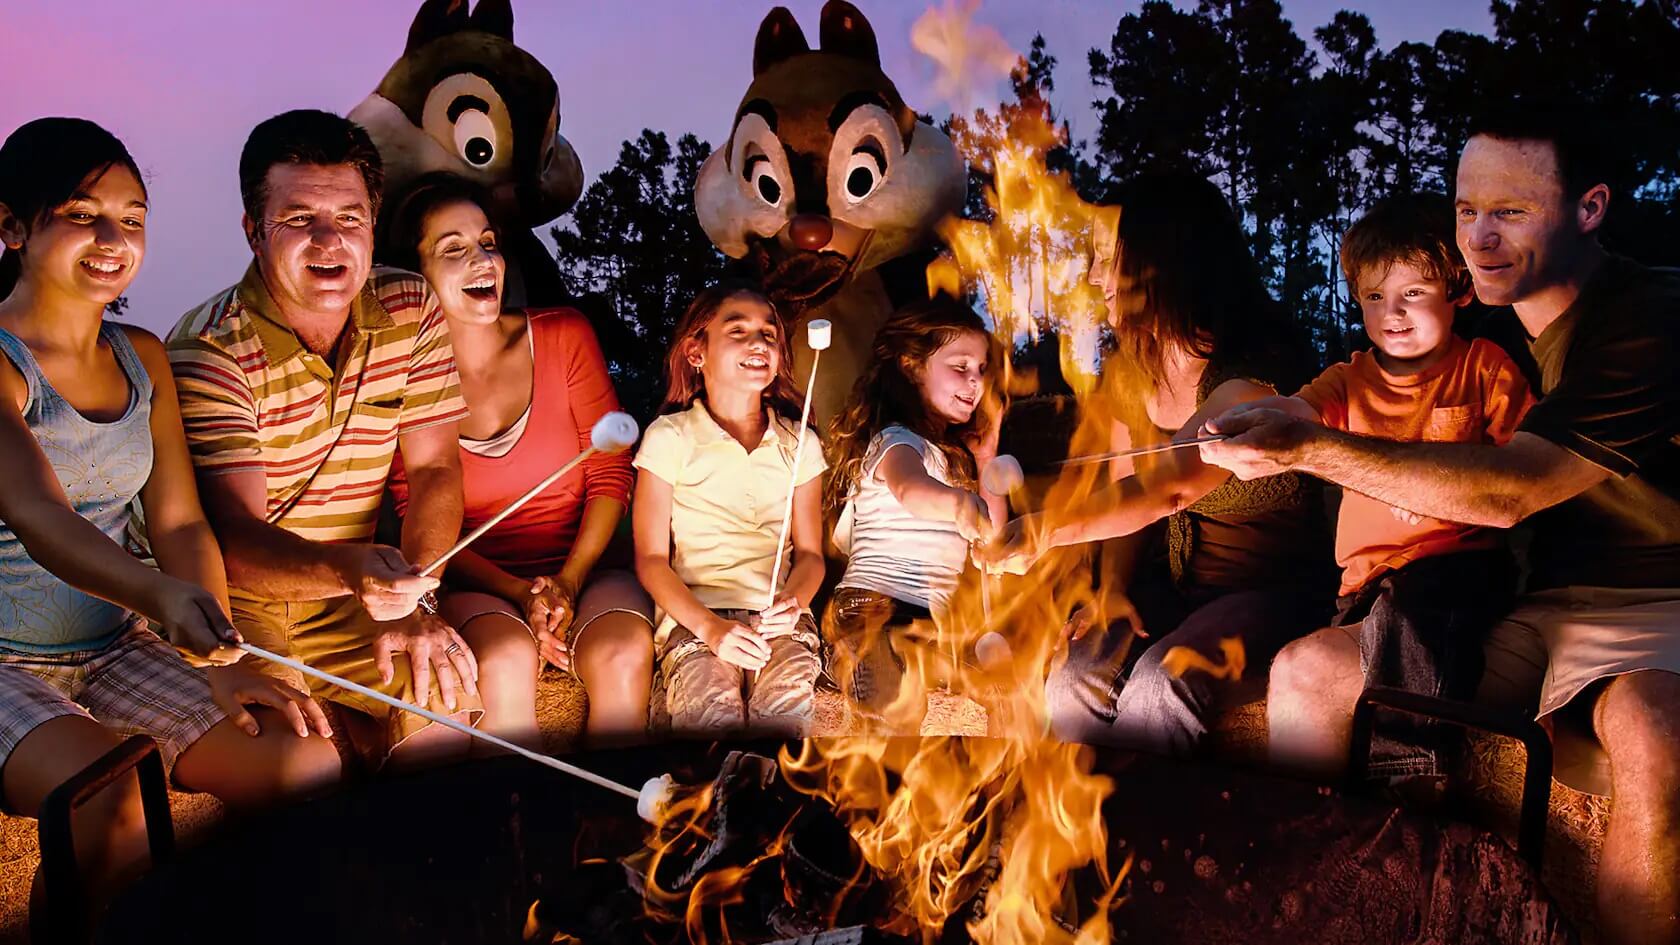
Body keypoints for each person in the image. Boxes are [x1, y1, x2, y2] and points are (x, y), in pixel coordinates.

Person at [1200, 106, 1679, 945]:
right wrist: (1243, 424)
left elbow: (1508, 491)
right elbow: (1333, 391)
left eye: (1511, 212)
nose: (1480, 238)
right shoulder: (1494, 329)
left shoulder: (1650, 314)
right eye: (1466, 211)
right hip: (1531, 609)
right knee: (1309, 672)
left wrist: (1311, 447)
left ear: (1590, 209)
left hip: (1649, 604)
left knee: (1654, 726)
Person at [0, 118, 339, 907]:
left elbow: (182, 522)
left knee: (304, 760)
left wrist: (221, 659)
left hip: (116, 648)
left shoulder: (141, 356)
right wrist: (160, 598)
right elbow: (37, 513)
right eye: (83, 214)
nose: (113, 236)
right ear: (12, 225)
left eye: (133, 217)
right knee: (108, 801)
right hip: (5, 659)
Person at [979, 172, 1335, 757]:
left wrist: (1043, 529)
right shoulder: (1130, 368)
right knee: (1070, 682)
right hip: (1166, 590)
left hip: (1267, 592)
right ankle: (1083, 840)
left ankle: (1155, 838)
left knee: (1158, 688)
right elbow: (1126, 487)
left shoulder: (1257, 369)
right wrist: (1112, 589)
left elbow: (1168, 487)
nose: (1095, 278)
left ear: (1162, 264)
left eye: (1106, 259)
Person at [168, 110, 481, 767]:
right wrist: (357, 575)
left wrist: (415, 595)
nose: (328, 240)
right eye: (298, 217)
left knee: (445, 694)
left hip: (353, 589)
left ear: (372, 219)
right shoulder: (208, 348)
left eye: (349, 216)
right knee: (297, 758)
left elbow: (434, 473)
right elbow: (235, 539)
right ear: (254, 231)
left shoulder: (411, 307)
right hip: (236, 602)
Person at [1249, 195, 1534, 787]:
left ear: (1459, 290)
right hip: (1365, 582)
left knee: (1416, 612)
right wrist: (1251, 419)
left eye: (1412, 293)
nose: (1392, 313)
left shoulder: (1484, 369)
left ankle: (1408, 774)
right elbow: (1298, 409)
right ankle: (1312, 830)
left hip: (1458, 568)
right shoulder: (1349, 379)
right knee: (1361, 625)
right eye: (1375, 297)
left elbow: (1528, 477)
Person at [379, 175, 654, 746]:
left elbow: (609, 475)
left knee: (624, 649)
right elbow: (422, 515)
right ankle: (519, 825)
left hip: (586, 568)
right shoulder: (401, 381)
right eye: (453, 249)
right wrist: (519, 594)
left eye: (487, 242)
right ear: (416, 276)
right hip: (482, 581)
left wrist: (569, 582)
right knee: (503, 661)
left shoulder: (563, 336)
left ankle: (615, 828)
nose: (482, 260)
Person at [632, 282, 824, 735]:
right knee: (710, 718)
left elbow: (812, 555)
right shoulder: (669, 437)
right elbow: (651, 560)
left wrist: (794, 603)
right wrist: (712, 629)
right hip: (697, 618)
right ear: (696, 352)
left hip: (782, 623)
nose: (759, 342)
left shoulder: (800, 444)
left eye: (769, 333)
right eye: (738, 331)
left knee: (783, 716)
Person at [822, 297, 1005, 722]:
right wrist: (958, 503)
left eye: (980, 370)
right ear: (910, 365)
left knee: (1003, 689)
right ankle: (864, 672)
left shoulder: (956, 458)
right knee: (896, 699)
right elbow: (909, 489)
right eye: (960, 367)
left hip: (926, 626)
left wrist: (987, 458)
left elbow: (991, 536)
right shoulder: (898, 441)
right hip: (871, 608)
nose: (974, 381)